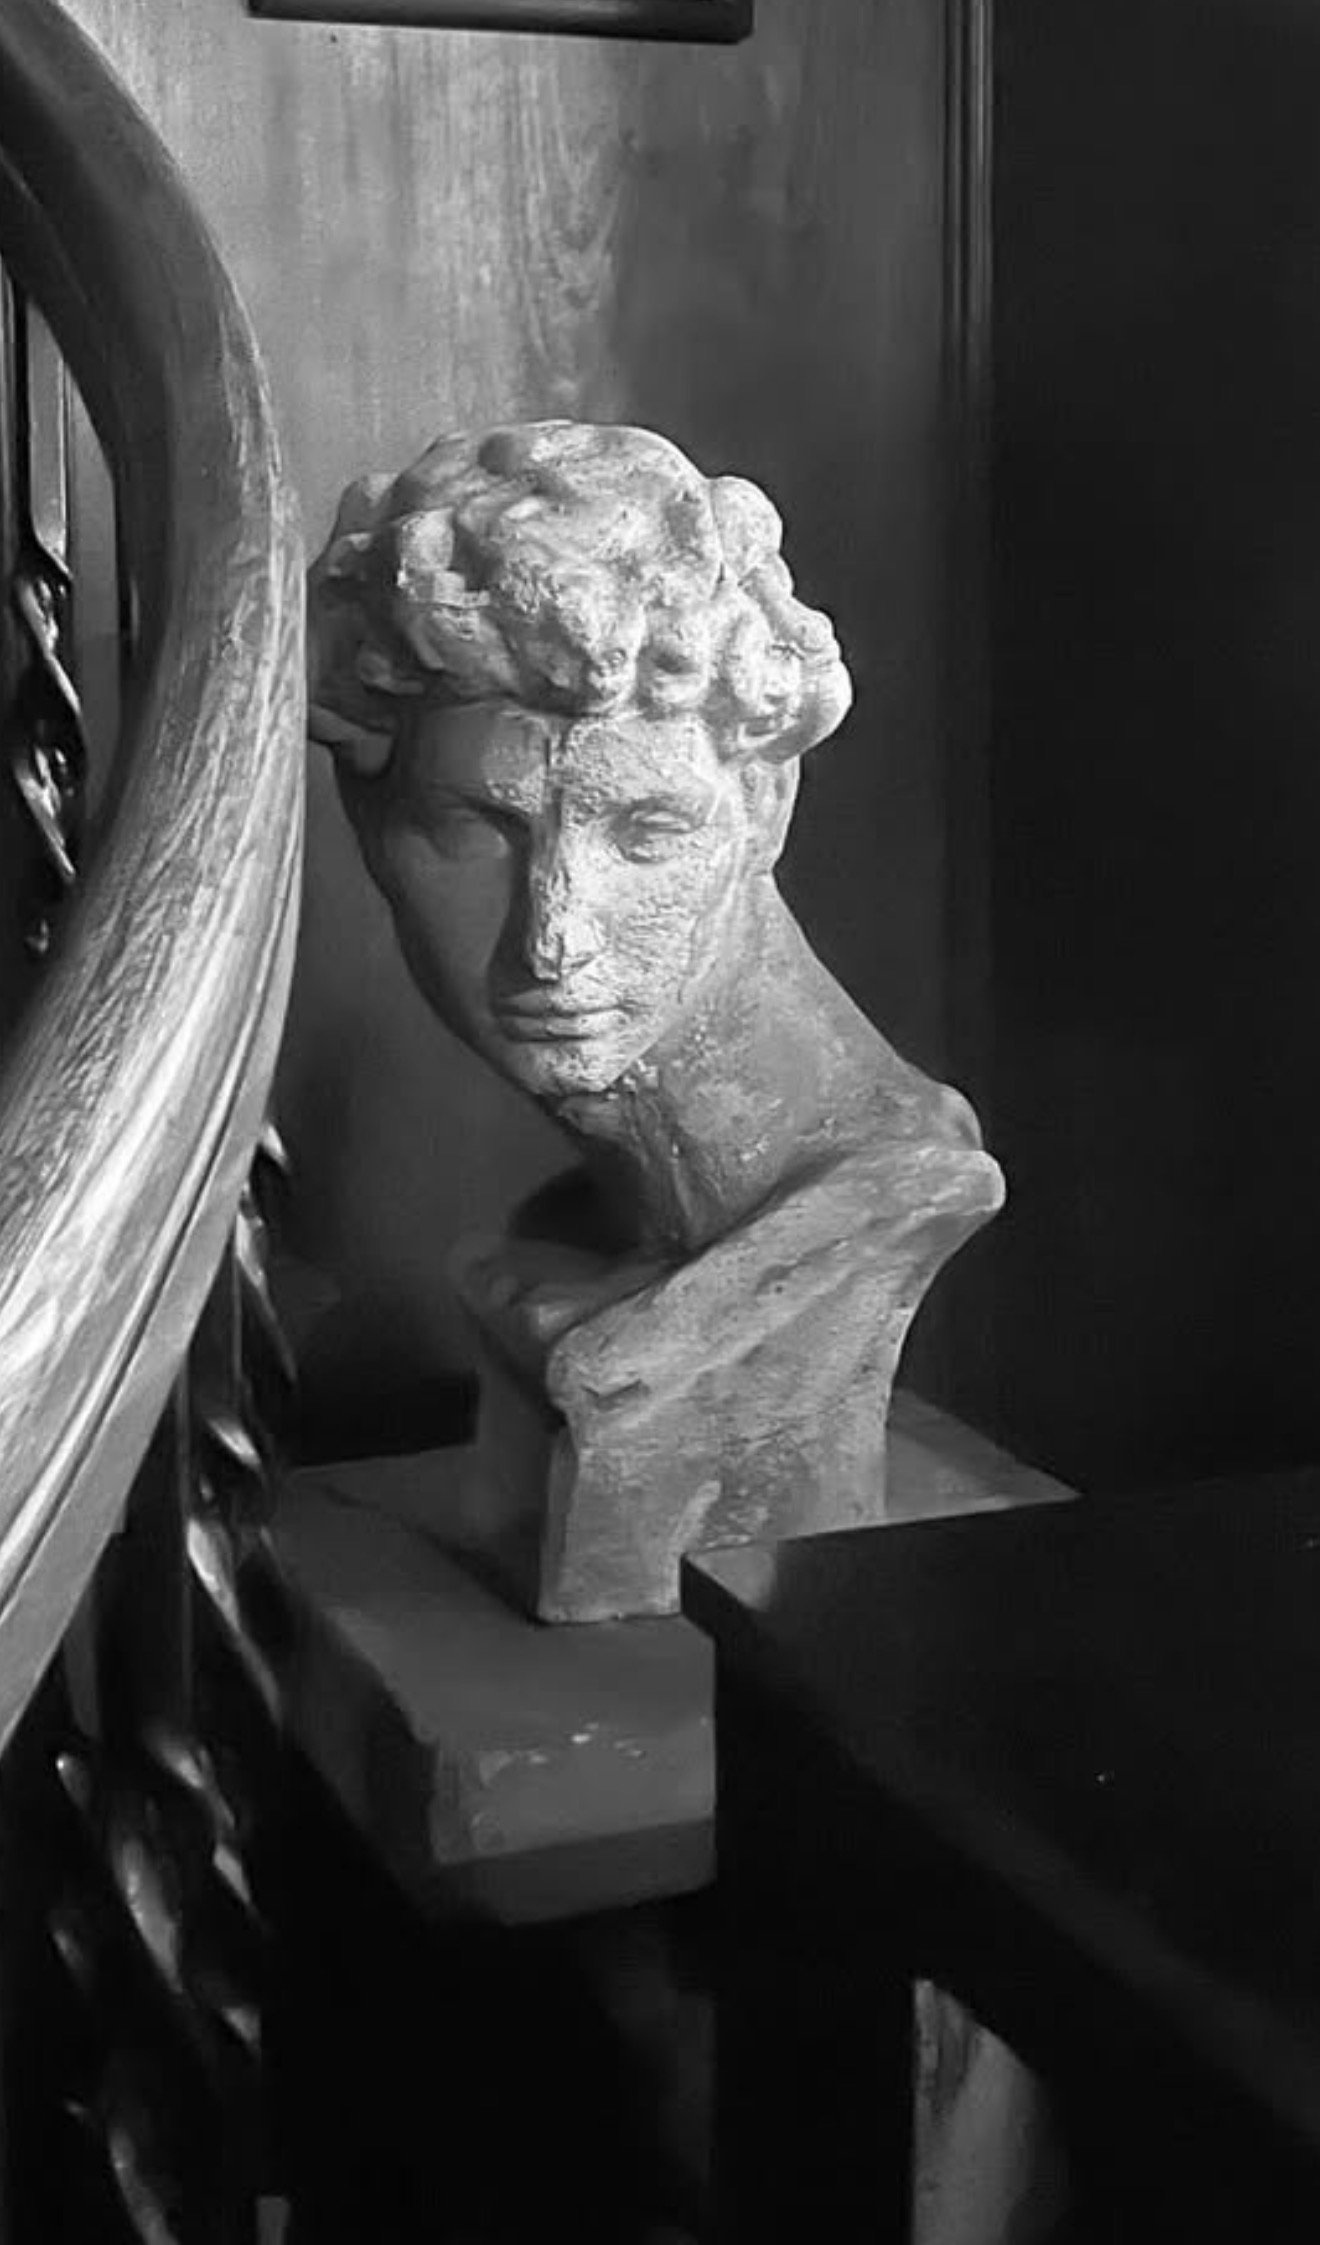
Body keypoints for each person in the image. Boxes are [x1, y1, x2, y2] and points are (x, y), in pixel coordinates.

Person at [308, 420, 1002, 1619]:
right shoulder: (601, 1223)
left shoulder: (880, 1196)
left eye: (647, 834)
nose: (555, 933)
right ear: (370, 818)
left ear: (763, 805)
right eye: (478, 829)